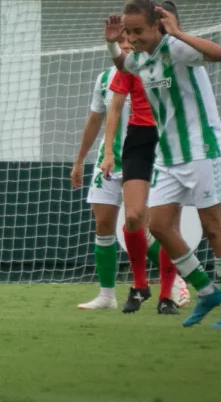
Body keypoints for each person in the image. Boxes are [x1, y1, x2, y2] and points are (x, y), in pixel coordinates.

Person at [105, 0, 221, 329]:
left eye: (137, 31)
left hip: (202, 151)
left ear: (158, 25)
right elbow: (124, 65)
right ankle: (206, 290)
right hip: (168, 157)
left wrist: (179, 32)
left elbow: (219, 55)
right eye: (128, 31)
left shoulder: (176, 48)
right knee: (156, 225)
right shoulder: (141, 58)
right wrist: (113, 45)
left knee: (214, 229)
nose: (133, 37)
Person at [74, 34, 186, 313]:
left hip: (150, 155)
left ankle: (172, 282)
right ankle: (107, 295)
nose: (125, 46)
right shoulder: (104, 79)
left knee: (148, 224)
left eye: (129, 41)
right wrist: (79, 161)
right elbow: (95, 121)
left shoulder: (153, 71)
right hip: (110, 158)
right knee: (103, 223)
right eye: (120, 43)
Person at [100, 3, 186, 315]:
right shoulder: (135, 60)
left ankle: (168, 295)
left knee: (167, 223)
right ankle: (139, 285)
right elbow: (115, 106)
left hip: (172, 140)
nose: (135, 36)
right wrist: (109, 152)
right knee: (134, 216)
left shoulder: (180, 57)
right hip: (139, 138)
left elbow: (199, 102)